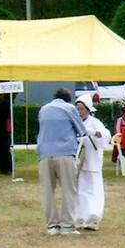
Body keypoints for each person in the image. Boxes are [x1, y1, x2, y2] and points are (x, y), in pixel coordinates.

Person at [37, 88, 86, 236]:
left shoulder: (43, 109)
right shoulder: (70, 108)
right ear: (68, 99)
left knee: (48, 191)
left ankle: (52, 226)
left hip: (44, 154)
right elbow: (82, 131)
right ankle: (67, 226)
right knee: (69, 190)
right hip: (64, 153)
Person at [74, 95, 110, 230]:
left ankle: (93, 218)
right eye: (77, 109)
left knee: (94, 191)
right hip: (79, 163)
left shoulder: (94, 122)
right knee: (80, 191)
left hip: (92, 161)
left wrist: (94, 133)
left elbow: (105, 135)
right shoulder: (75, 122)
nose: (79, 112)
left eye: (82, 109)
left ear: (88, 109)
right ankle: (80, 217)